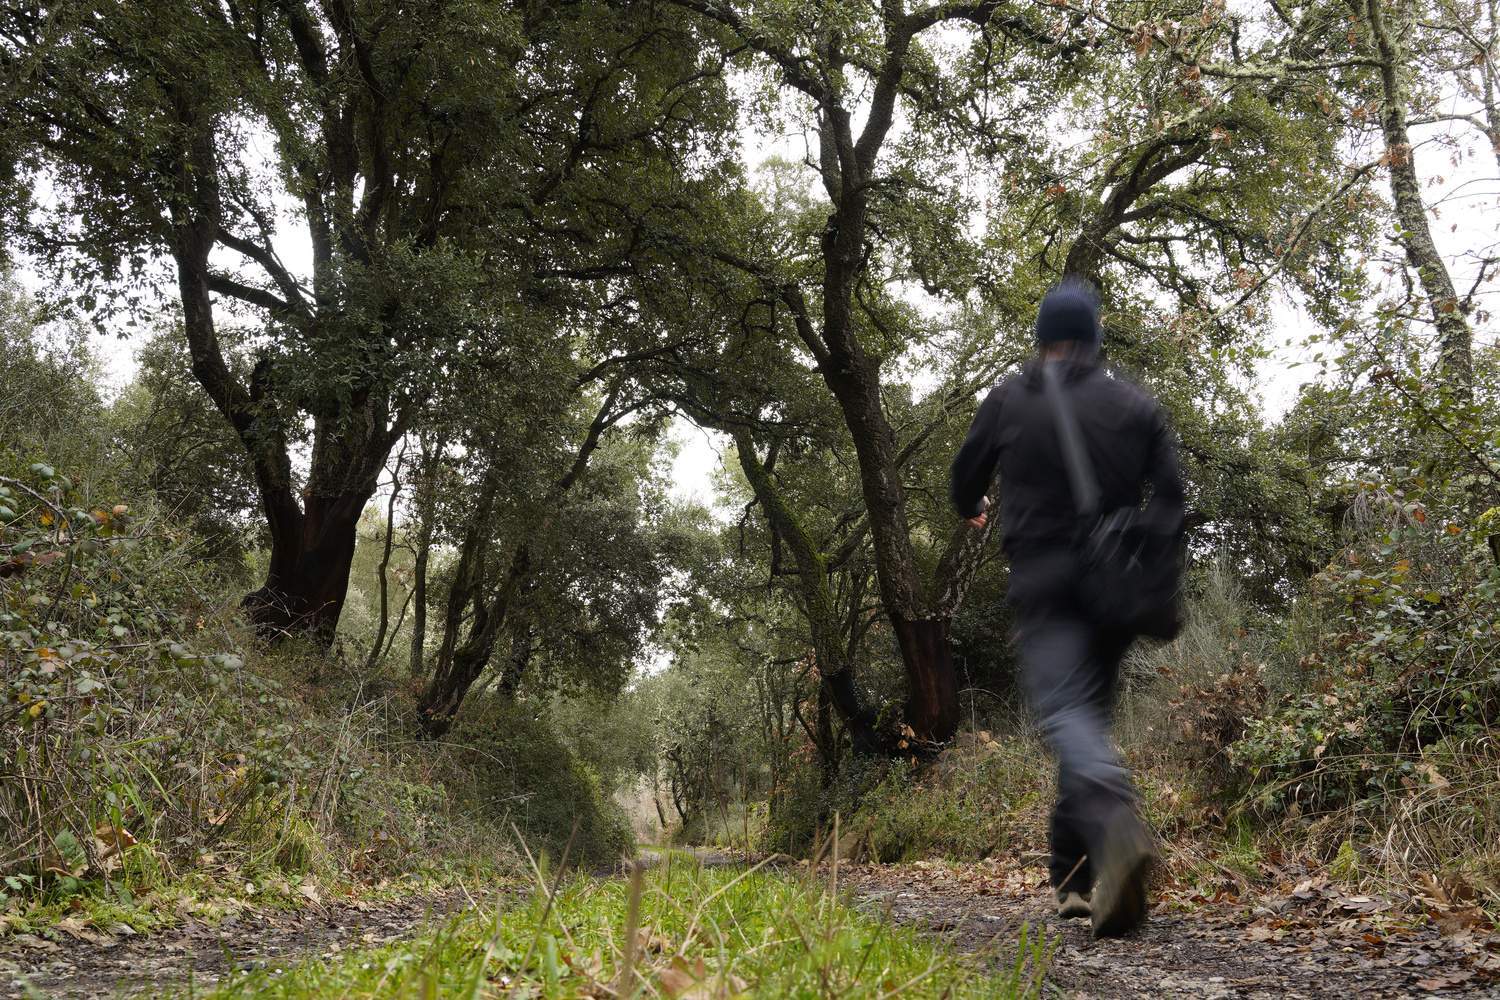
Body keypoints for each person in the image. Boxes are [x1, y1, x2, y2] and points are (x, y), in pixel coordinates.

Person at [949, 276, 1185, 938]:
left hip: (1046, 587)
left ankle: (1117, 823)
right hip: (1113, 594)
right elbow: (1170, 503)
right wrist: (1142, 555)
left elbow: (963, 480)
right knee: (1082, 730)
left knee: (1068, 721)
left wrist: (974, 507)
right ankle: (1074, 883)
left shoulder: (1009, 401)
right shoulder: (1135, 407)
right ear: (1094, 340)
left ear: (1042, 340)